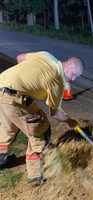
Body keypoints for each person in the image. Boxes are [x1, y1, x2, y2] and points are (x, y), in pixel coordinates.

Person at [0, 51, 83, 185]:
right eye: (73, 75)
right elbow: (55, 113)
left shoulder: (47, 56)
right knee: (41, 129)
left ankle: (1, 157)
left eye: (76, 77)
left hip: (2, 86)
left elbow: (20, 57)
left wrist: (27, 81)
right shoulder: (57, 81)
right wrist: (69, 121)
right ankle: (34, 175)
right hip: (15, 98)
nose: (73, 80)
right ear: (68, 66)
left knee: (9, 125)